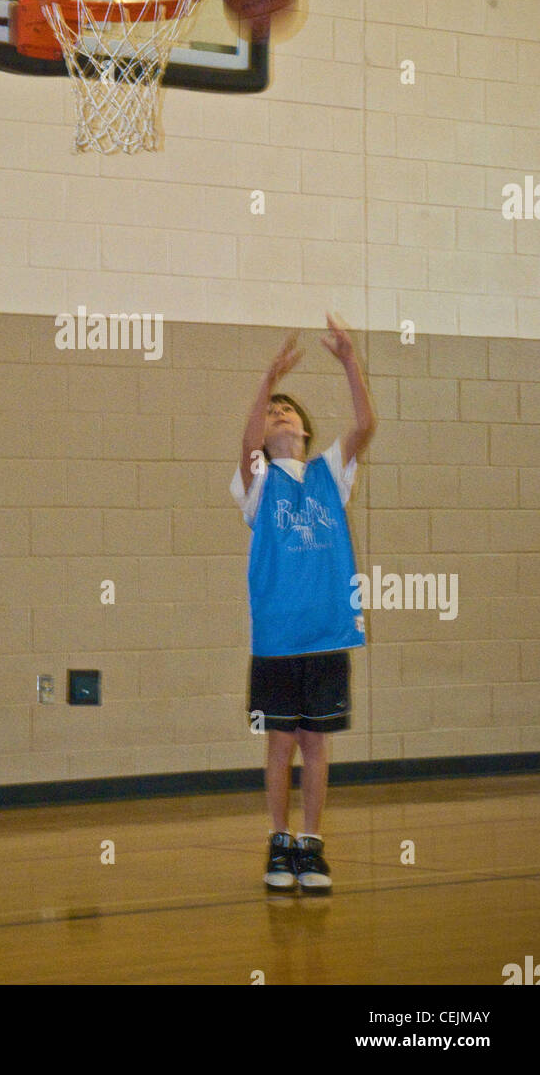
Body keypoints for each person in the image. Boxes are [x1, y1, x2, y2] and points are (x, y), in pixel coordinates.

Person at [229, 315, 376, 893]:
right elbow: (245, 444)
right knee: (280, 742)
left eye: (287, 409)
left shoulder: (329, 474)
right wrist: (267, 377)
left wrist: (348, 362)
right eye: (272, 411)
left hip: (327, 634)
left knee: (315, 744)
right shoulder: (258, 483)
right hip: (276, 637)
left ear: (306, 430)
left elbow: (366, 425)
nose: (279, 413)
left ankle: (311, 844)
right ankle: (279, 839)